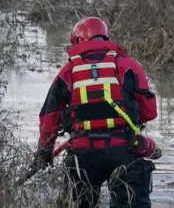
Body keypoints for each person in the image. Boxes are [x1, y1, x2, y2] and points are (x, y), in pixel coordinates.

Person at [31, 17, 159, 207]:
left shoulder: (67, 72)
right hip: (124, 149)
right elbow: (150, 111)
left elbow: (49, 117)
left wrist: (44, 151)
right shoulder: (129, 65)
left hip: (83, 155)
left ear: (79, 40)